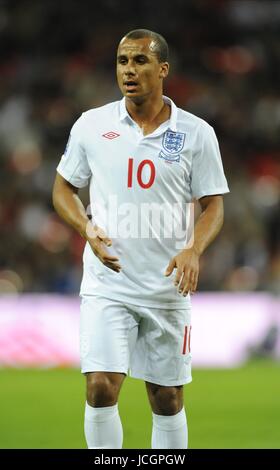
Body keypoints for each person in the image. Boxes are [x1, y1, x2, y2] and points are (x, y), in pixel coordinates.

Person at [52, 29, 229, 449]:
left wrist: (193, 249)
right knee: (100, 387)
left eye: (140, 61)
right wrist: (86, 229)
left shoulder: (196, 132)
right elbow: (63, 189)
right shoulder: (92, 125)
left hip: (167, 287)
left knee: (166, 398)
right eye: (122, 61)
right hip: (107, 282)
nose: (129, 70)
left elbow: (214, 206)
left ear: (163, 69)